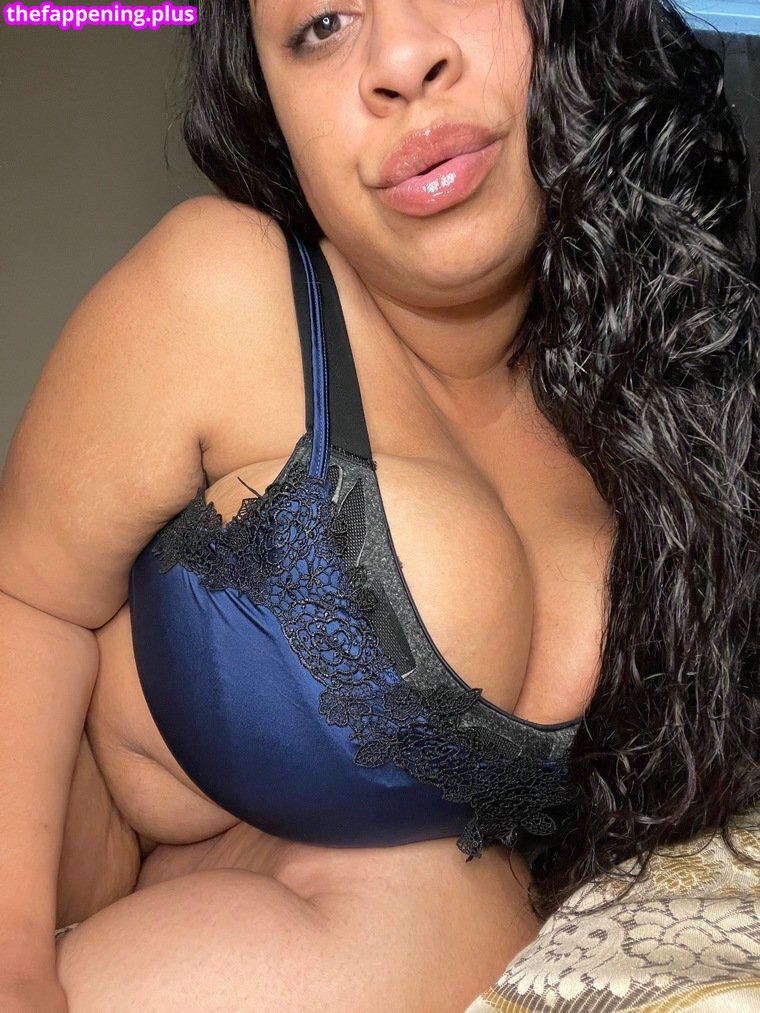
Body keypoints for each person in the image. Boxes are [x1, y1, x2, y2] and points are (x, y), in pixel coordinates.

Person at [0, 0, 757, 1009]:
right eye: (320, 24)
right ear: (268, 104)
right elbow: (23, 603)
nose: (402, 57)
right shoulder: (222, 289)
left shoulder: (673, 398)